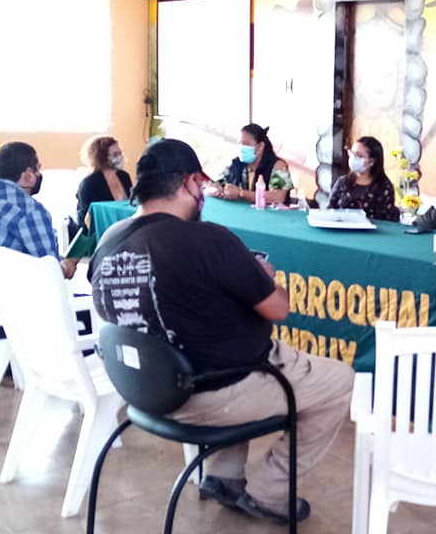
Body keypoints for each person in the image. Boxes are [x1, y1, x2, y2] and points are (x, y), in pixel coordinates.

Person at [90, 139, 352, 525]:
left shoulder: (109, 241)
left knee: (218, 340)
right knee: (338, 380)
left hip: (143, 388)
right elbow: (278, 309)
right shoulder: (209, 240)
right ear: (191, 183)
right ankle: (270, 491)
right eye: (200, 186)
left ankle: (223, 476)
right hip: (211, 395)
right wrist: (263, 277)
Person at [0, 142, 77, 336]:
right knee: (78, 312)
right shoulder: (29, 211)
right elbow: (51, 273)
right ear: (28, 175)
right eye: (38, 169)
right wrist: (70, 263)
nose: (39, 174)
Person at [218, 123, 293, 206]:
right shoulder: (237, 164)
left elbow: (278, 197)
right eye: (240, 143)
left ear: (260, 146)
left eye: (246, 144)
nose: (242, 148)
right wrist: (218, 189)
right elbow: (218, 182)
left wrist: (241, 193)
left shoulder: (279, 166)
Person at [327, 136, 400, 221]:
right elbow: (330, 211)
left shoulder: (384, 187)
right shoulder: (342, 182)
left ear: (371, 162)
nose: (353, 158)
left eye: (358, 155)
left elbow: (388, 219)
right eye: (352, 153)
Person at [72, 135, 132, 237]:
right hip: (102, 235)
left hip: (126, 232)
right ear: (102, 158)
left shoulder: (124, 177)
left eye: (120, 153)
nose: (120, 157)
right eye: (115, 154)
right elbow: (88, 220)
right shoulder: (89, 184)